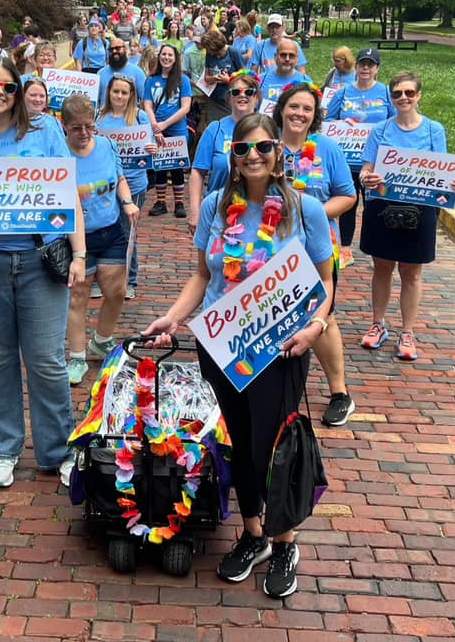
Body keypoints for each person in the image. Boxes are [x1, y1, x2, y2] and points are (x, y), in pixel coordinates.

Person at [143, 112, 335, 600]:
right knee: (239, 442)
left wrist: (314, 327)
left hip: (282, 348)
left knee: (272, 446)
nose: (253, 156)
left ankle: (285, 540)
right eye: (243, 149)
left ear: (278, 154)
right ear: (231, 155)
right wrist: (172, 317)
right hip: (222, 347)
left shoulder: (305, 210)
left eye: (263, 147)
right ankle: (254, 535)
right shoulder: (214, 206)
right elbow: (203, 277)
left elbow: (325, 282)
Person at [0, 57, 87, 489]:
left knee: (46, 360)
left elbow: (68, 196)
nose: (0, 93)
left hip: (38, 258)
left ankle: (57, 450)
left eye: (9, 87)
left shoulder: (45, 133)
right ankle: (5, 449)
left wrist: (79, 254)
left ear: (20, 91)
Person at [358, 71, 455, 362]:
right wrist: (367, 178)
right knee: (382, 268)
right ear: (391, 97)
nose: (403, 98)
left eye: (409, 93)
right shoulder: (380, 131)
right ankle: (378, 323)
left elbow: (443, 173)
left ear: (418, 95)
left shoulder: (434, 131)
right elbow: (366, 169)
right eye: (397, 93)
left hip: (420, 210)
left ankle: (407, 331)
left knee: (412, 272)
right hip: (383, 206)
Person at [273, 83, 357, 427]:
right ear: (281, 109)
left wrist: (312, 214)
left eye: (307, 109)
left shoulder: (327, 148)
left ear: (315, 115)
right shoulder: (268, 144)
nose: (299, 114)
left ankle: (339, 393)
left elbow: (348, 195)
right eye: (294, 106)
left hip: (317, 248)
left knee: (322, 318)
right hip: (269, 250)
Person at [61, 94, 140, 385]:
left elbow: (119, 177)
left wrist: (127, 201)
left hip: (110, 230)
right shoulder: (60, 155)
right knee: (79, 296)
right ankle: (78, 357)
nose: (84, 133)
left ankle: (102, 338)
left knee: (116, 291)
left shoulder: (106, 145)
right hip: (77, 238)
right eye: (76, 128)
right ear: (64, 126)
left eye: (89, 126)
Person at [325, 47, 395, 268]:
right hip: (347, 159)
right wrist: (341, 125)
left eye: (371, 64)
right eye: (362, 63)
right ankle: (345, 249)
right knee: (348, 204)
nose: (366, 68)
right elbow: (328, 121)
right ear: (356, 67)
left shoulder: (385, 93)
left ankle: (378, 249)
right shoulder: (343, 93)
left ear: (377, 69)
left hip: (375, 161)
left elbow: (395, 122)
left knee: (376, 205)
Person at [97, 75, 157, 299]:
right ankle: (101, 279)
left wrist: (153, 149)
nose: (119, 96)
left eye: (124, 92)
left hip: (134, 183)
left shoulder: (140, 117)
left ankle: (130, 280)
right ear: (109, 92)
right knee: (102, 229)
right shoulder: (99, 116)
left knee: (127, 231)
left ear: (131, 95)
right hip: (106, 183)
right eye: (115, 92)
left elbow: (151, 148)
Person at [187, 69, 260, 235]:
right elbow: (198, 172)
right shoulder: (215, 129)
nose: (242, 96)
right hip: (219, 211)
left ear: (256, 98)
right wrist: (195, 211)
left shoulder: (266, 129)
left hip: (257, 211)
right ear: (229, 98)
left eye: (249, 91)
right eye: (236, 92)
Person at [142, 44, 192, 219]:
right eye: (164, 54)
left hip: (177, 129)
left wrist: (164, 125)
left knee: (177, 167)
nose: (166, 58)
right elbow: (147, 105)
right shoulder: (151, 80)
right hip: (156, 130)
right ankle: (161, 201)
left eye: (170, 55)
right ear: (159, 56)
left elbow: (185, 107)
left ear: (175, 58)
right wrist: (156, 127)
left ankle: (179, 203)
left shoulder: (182, 80)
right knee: (160, 167)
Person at [201, 28, 245, 128]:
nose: (208, 52)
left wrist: (229, 80)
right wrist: (214, 78)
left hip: (231, 101)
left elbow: (246, 77)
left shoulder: (233, 53)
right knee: (214, 128)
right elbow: (206, 78)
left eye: (209, 49)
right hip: (214, 99)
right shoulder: (209, 55)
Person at [257, 39, 312, 113]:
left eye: (291, 55)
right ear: (275, 57)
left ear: (297, 58)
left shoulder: (306, 81)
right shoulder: (261, 80)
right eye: (283, 55)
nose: (287, 59)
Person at [97, 35, 147, 104]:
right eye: (111, 50)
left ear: (125, 49)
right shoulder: (100, 74)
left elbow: (145, 100)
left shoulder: (138, 73)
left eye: (117, 48)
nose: (114, 51)